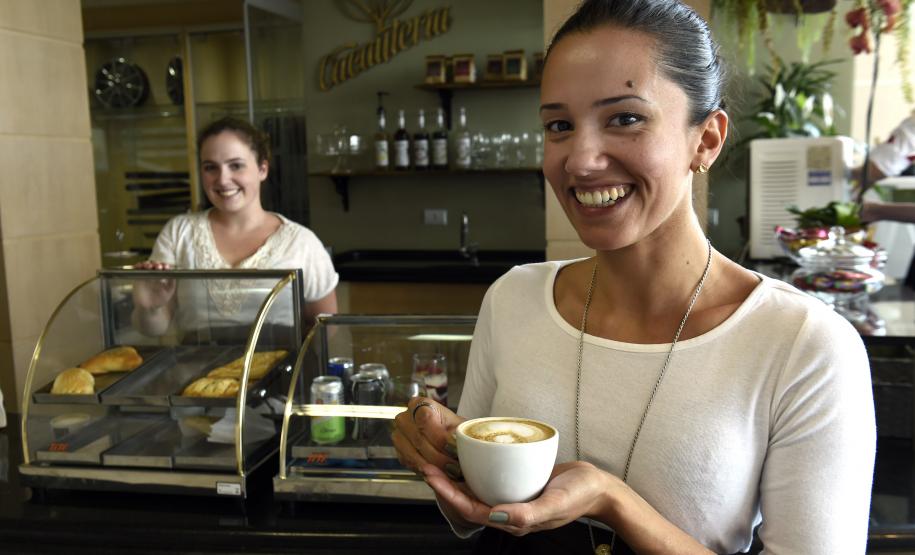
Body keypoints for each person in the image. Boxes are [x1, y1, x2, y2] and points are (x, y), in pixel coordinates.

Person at [392, 1, 876, 553]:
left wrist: (611, 500)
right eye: (559, 125)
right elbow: (477, 515)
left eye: (625, 118)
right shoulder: (514, 298)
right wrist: (435, 450)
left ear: (707, 140)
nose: (580, 160)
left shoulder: (803, 346)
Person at [133, 116, 338, 335]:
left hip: (278, 367)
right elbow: (153, 330)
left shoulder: (302, 242)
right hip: (197, 367)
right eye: (211, 167)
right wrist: (150, 309)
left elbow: (326, 330)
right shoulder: (178, 232)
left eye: (236, 165)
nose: (223, 179)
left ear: (262, 169)